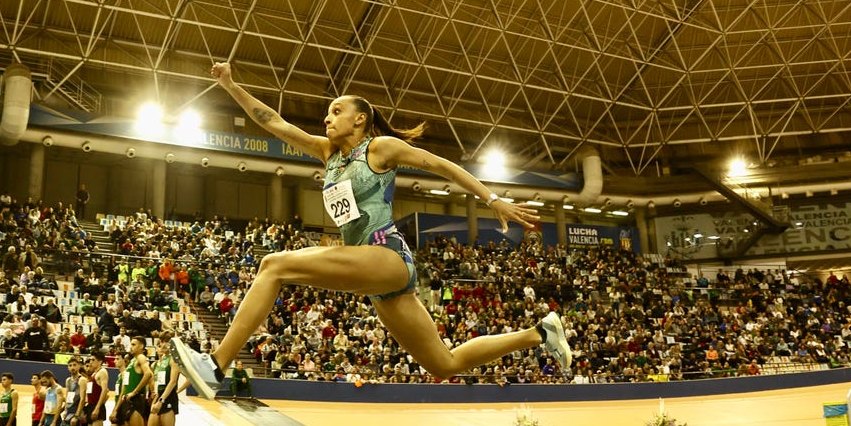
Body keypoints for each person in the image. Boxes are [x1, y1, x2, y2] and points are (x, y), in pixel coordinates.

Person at [171, 62, 572, 396]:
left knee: (273, 265)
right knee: (442, 363)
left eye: (336, 111)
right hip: (378, 278)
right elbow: (274, 123)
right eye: (327, 113)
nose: (327, 118)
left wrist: (491, 199)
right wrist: (230, 85)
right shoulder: (327, 153)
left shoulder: (379, 149)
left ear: (360, 119)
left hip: (386, 255)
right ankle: (540, 332)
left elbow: (439, 165)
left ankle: (216, 366)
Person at [148, 334, 189, 426]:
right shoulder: (159, 363)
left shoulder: (173, 360)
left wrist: (165, 399)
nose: (163, 345)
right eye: (161, 342)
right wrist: (155, 399)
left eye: (167, 342)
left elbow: (172, 382)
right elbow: (157, 384)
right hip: (159, 397)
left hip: (167, 399)